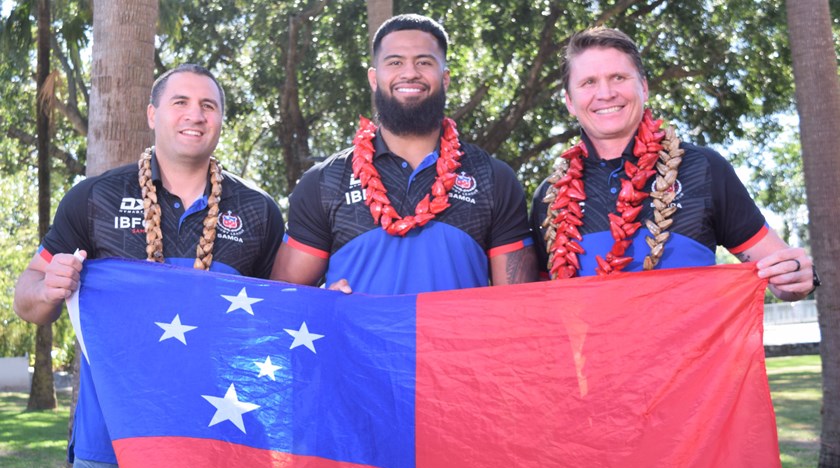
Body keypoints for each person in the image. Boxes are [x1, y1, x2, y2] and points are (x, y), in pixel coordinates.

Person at [13, 64, 285, 468]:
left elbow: (280, 315)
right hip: (112, 442)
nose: (195, 115)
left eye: (208, 105)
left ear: (221, 121)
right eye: (181, 102)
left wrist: (334, 304)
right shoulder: (94, 198)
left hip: (218, 437)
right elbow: (26, 299)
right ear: (152, 115)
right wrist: (48, 286)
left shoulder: (258, 210)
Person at [530, 27, 818, 301]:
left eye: (618, 77)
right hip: (591, 354)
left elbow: (780, 272)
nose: (605, 93)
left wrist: (795, 277)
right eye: (588, 82)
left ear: (643, 87)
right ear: (569, 101)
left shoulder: (703, 168)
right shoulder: (550, 198)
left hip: (696, 354)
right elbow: (543, 305)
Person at [271, 14, 537, 295]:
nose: (410, 72)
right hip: (357, 340)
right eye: (395, 62)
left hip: (453, 340)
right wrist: (322, 305)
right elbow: (281, 298)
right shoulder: (326, 181)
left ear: (445, 78)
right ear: (374, 78)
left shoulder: (492, 178)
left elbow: (519, 305)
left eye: (424, 62)